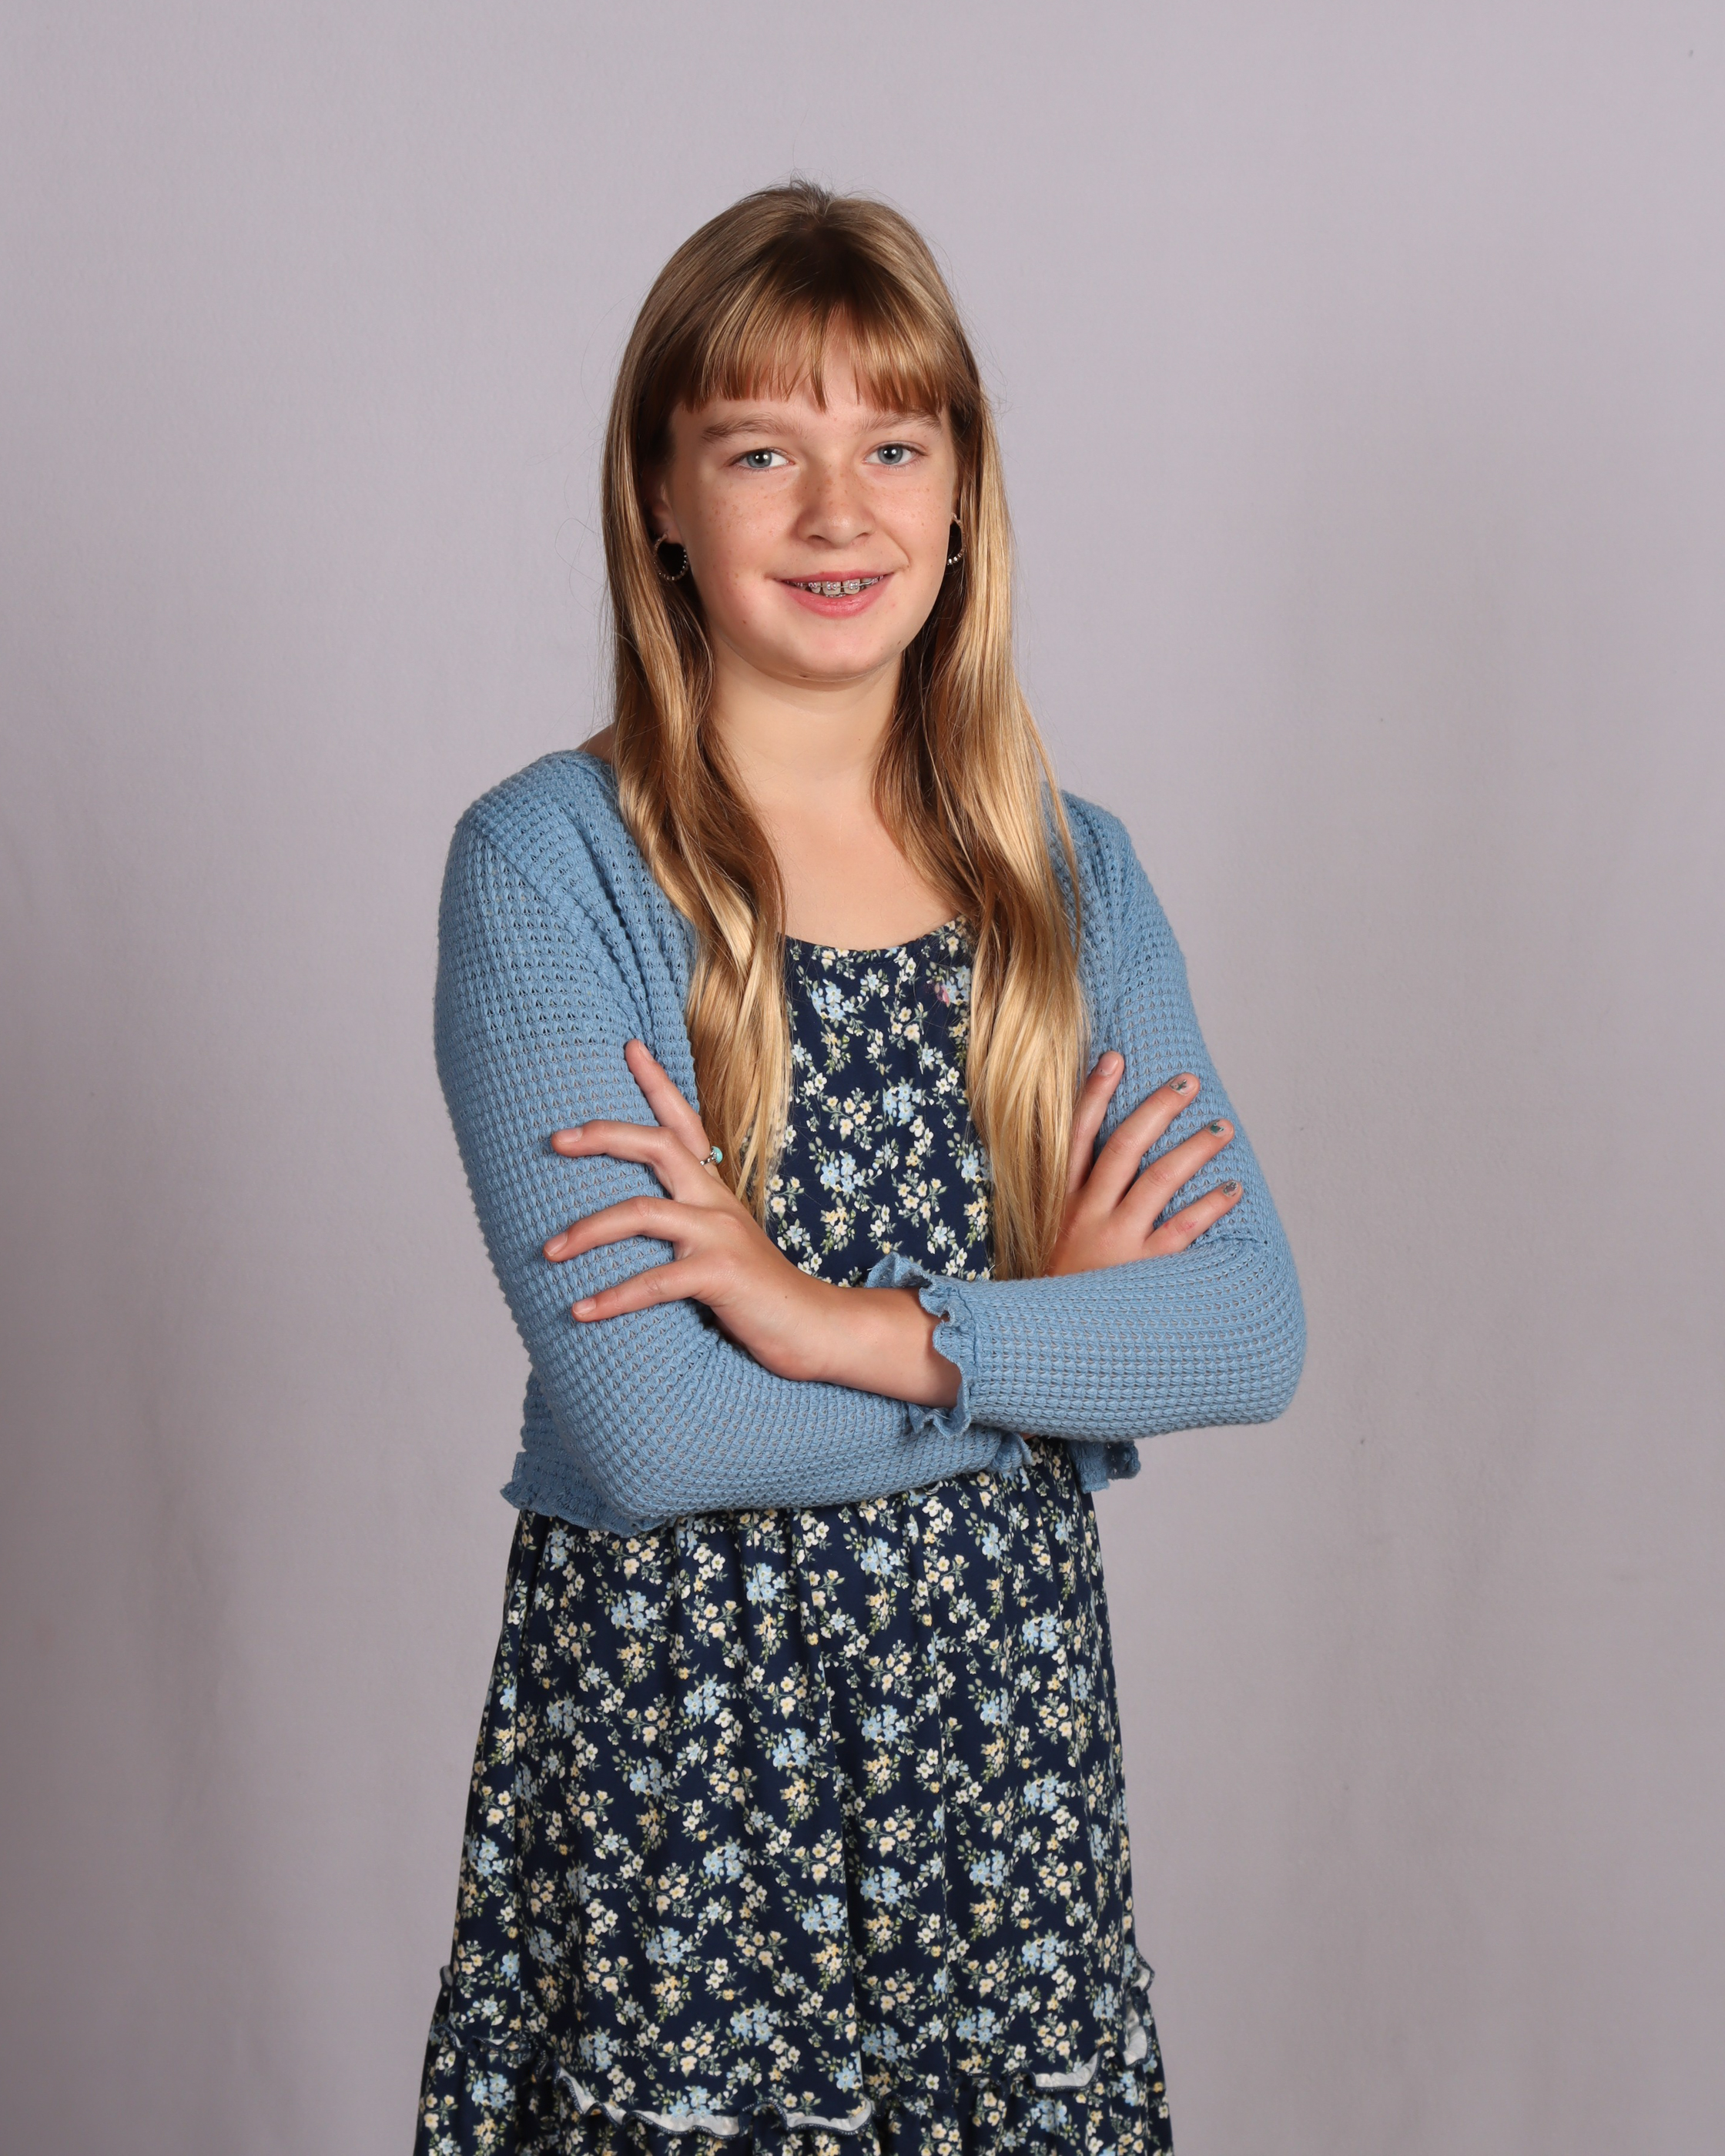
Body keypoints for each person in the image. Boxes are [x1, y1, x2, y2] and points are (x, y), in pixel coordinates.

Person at [417, 181, 1304, 2156]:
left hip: (1004, 1776)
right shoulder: (556, 868)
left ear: (963, 491)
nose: (840, 513)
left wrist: (834, 1324)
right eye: (762, 452)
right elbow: (652, 1428)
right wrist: (1051, 1359)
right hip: (683, 1778)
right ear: (661, 496)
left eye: (893, 446)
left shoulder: (1066, 875)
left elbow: (1245, 1329)